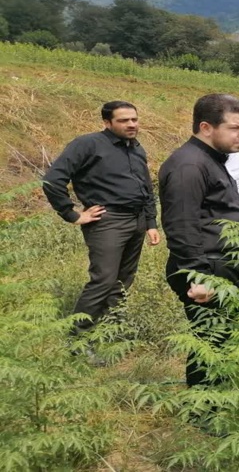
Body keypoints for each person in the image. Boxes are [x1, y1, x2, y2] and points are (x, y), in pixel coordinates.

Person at [42, 101, 160, 340]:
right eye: (124, 120)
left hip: (136, 220)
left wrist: (151, 222)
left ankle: (111, 332)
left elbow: (146, 187)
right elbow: (52, 181)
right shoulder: (87, 144)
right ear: (107, 122)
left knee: (123, 281)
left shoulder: (135, 147)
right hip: (108, 221)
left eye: (134, 119)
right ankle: (79, 338)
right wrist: (73, 214)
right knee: (103, 281)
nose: (131, 125)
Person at [159, 93, 239, 388]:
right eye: (235, 128)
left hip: (221, 266)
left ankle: (219, 396)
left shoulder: (210, 159)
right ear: (206, 127)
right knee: (210, 339)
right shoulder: (189, 165)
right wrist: (199, 278)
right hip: (207, 270)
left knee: (223, 337)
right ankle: (204, 410)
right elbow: (182, 226)